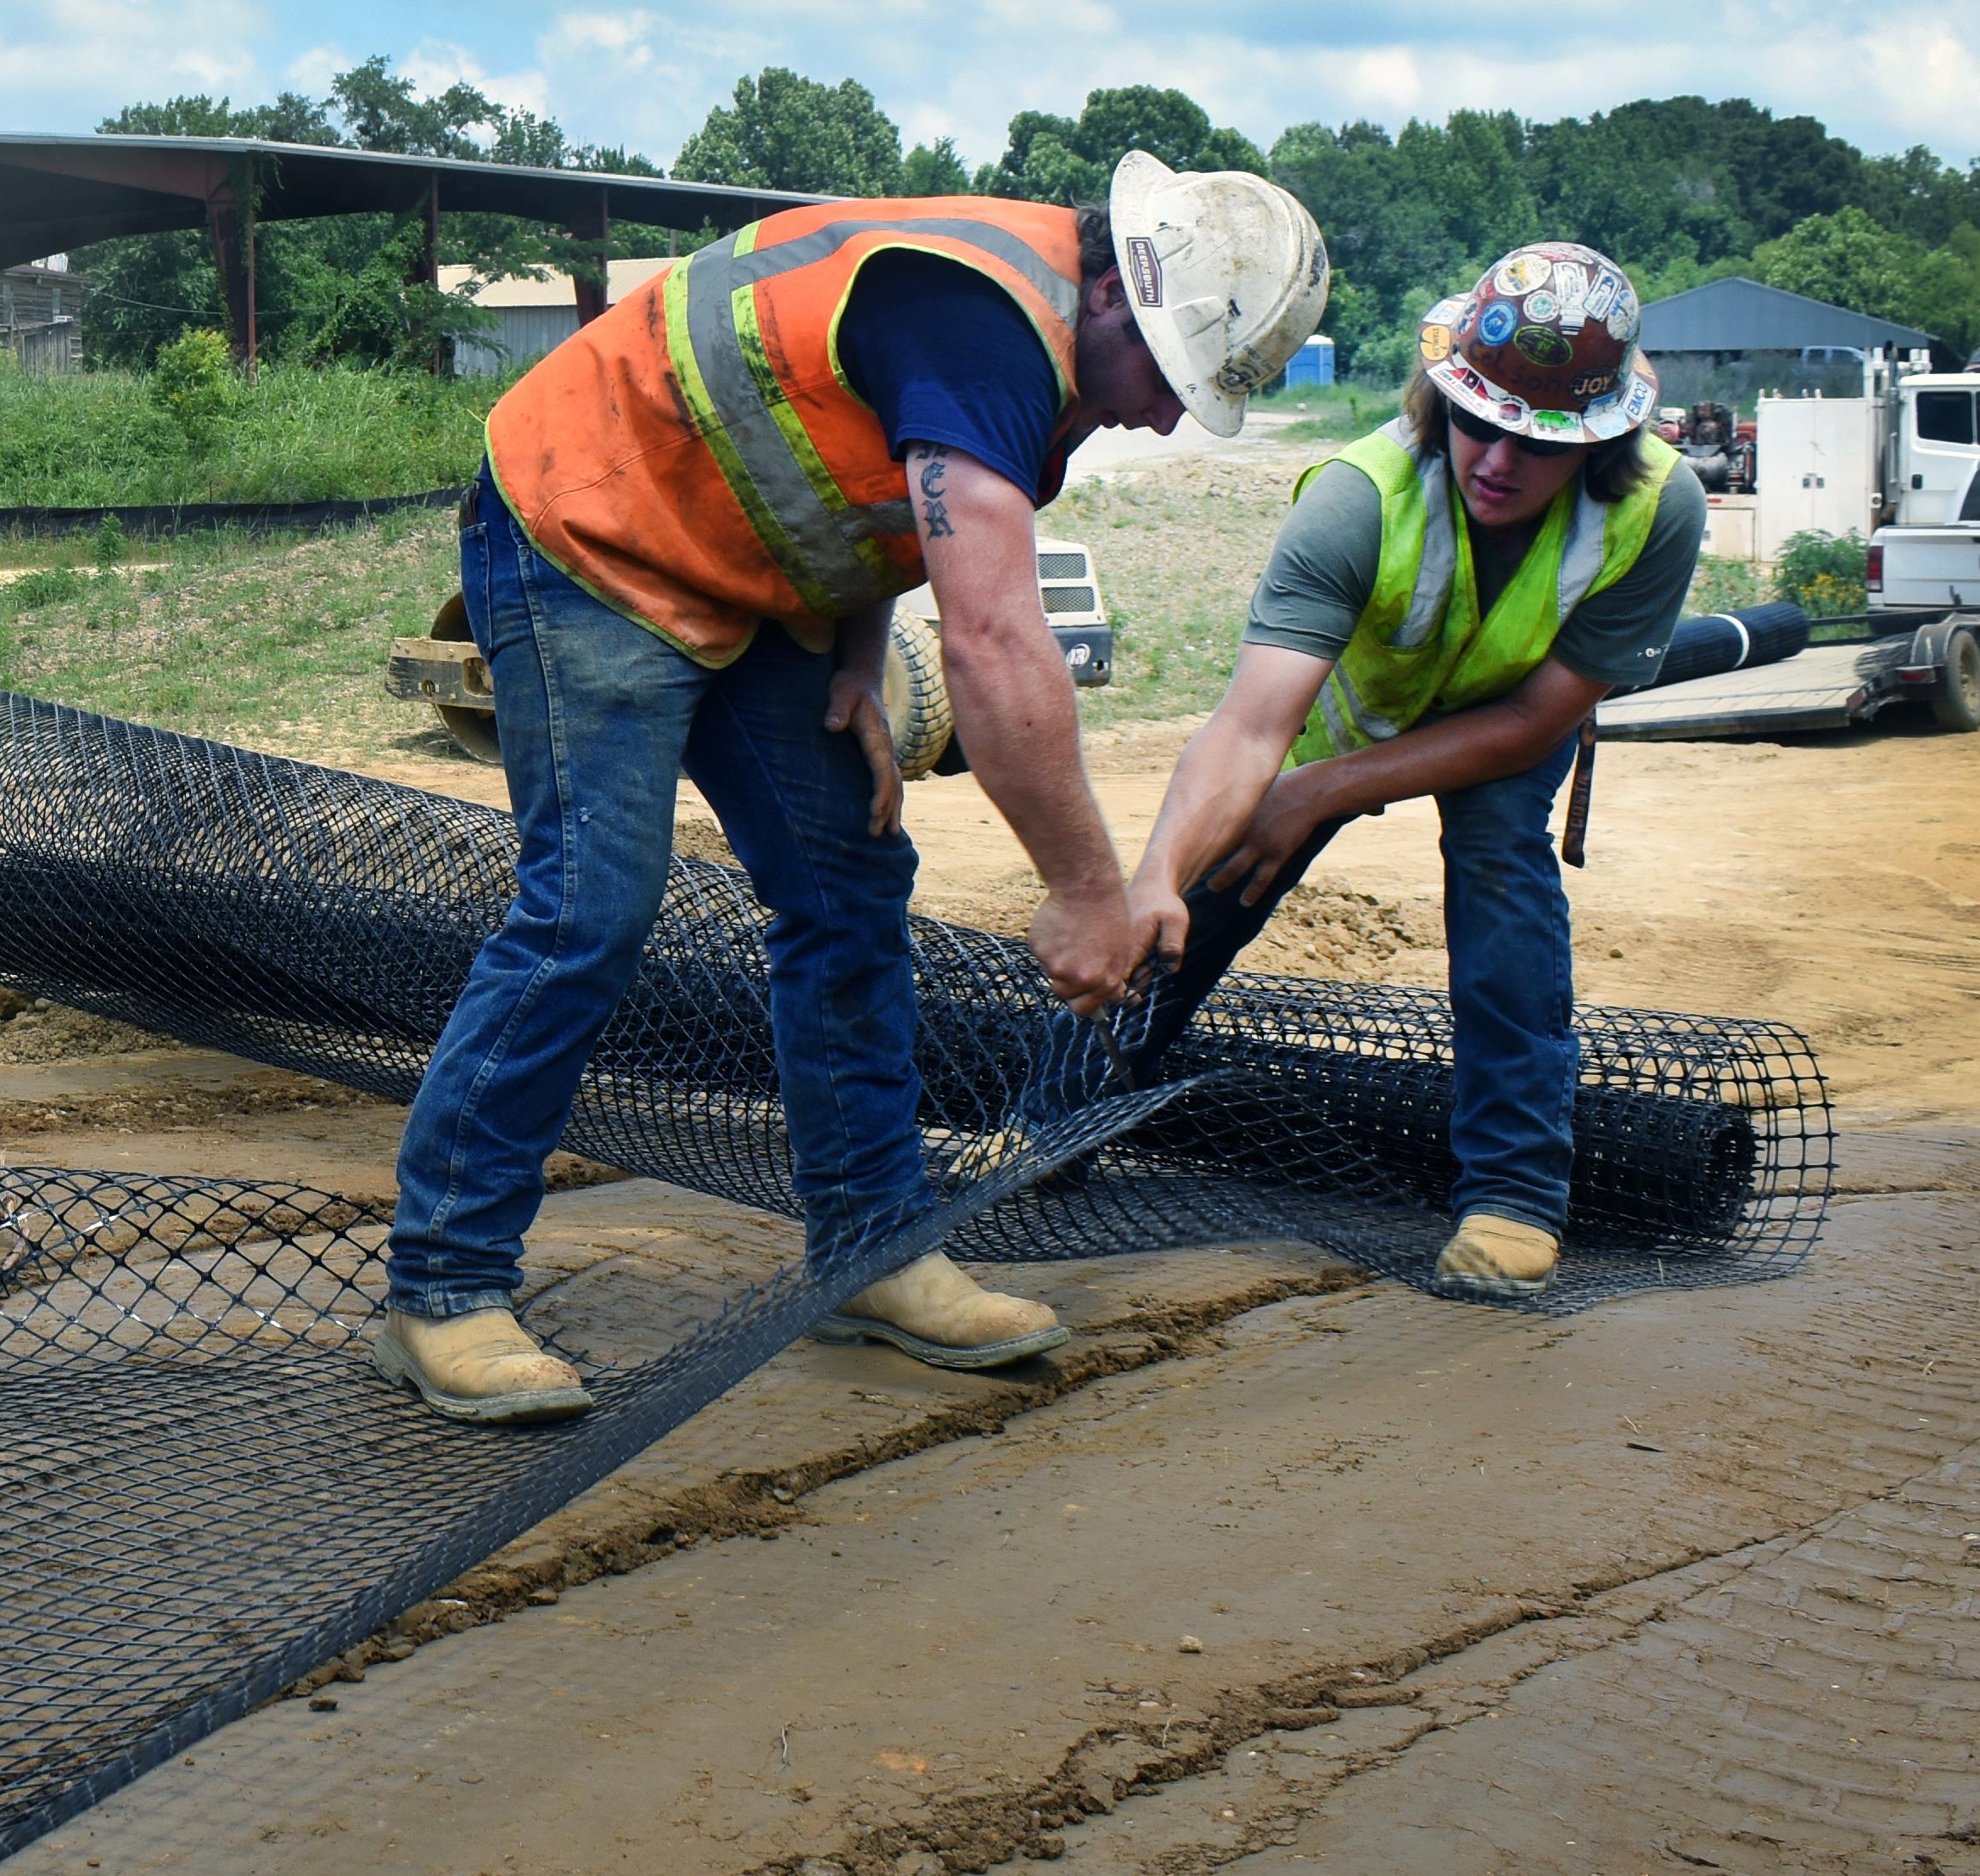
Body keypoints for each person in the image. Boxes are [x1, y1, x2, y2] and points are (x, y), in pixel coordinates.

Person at [373, 152, 1337, 1422]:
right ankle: (443, 1284)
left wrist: (855, 653)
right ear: (1114, 294)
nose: (1163, 419)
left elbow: (852, 460)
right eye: (1168, 379)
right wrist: (1084, 890)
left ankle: (874, 1244)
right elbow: (996, 642)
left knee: (847, 880)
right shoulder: (983, 321)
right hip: (588, 526)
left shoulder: (1045, 334)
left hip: (740, 567)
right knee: (590, 905)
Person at [1117, 244, 1705, 1301]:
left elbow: (1532, 721)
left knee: (1500, 862)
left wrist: (1322, 792)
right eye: (1478, 421)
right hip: (1344, 719)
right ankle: (1051, 1112)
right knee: (1215, 875)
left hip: (1509, 726)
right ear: (1443, 399)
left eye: (1536, 440)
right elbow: (1247, 727)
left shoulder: (1658, 509)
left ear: (1598, 441)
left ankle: (1513, 1197)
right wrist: (1161, 871)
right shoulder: (1358, 498)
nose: (1498, 460)